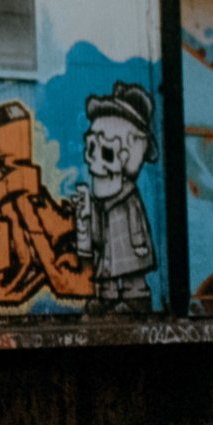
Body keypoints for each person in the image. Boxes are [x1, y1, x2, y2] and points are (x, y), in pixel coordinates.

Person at [72, 80, 157, 315]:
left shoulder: (129, 197)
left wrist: (139, 244)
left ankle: (135, 296)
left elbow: (136, 220)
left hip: (129, 246)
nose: (93, 160)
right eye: (91, 148)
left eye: (105, 152)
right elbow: (95, 228)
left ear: (125, 154)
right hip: (108, 247)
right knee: (106, 267)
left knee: (130, 270)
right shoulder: (100, 196)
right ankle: (107, 296)